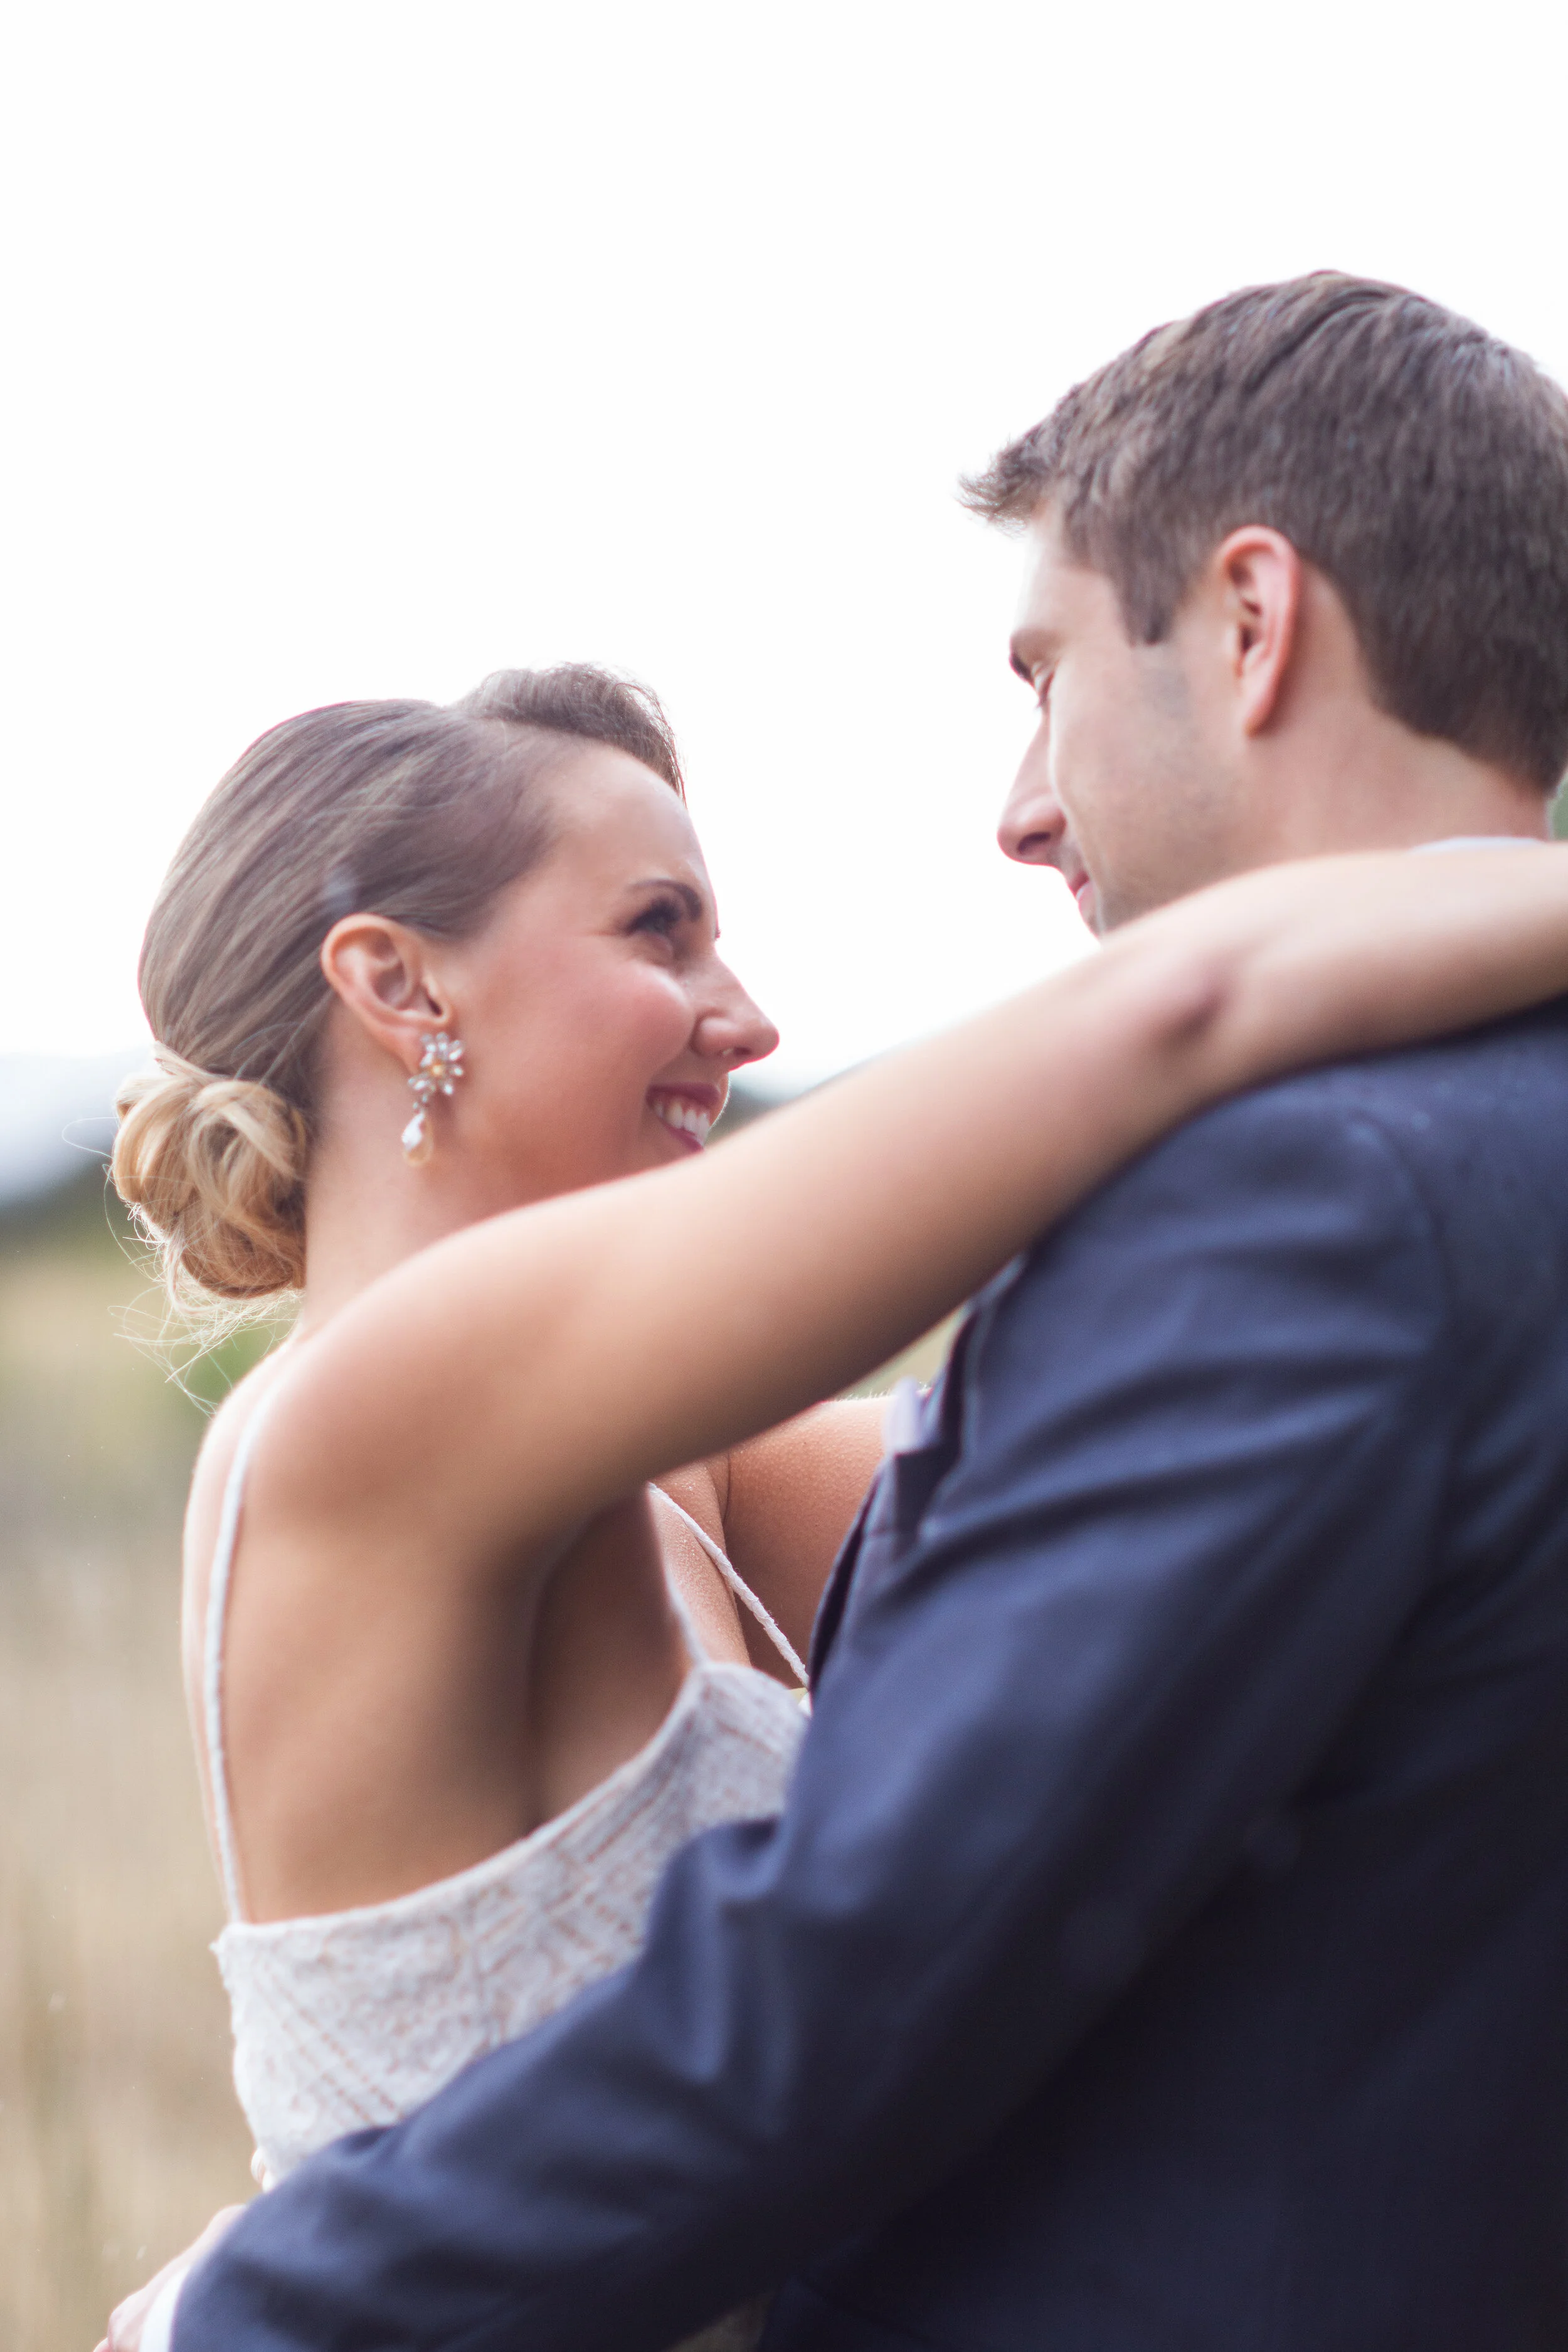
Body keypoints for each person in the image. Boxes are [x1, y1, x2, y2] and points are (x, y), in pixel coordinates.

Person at [128, 273, 1568, 2349]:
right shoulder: (383, 1410)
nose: (753, 1012)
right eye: (659, 928)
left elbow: (1092, 1524)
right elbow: (1179, 1009)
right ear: (395, 988)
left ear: (1249, 627)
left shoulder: (709, 1465)